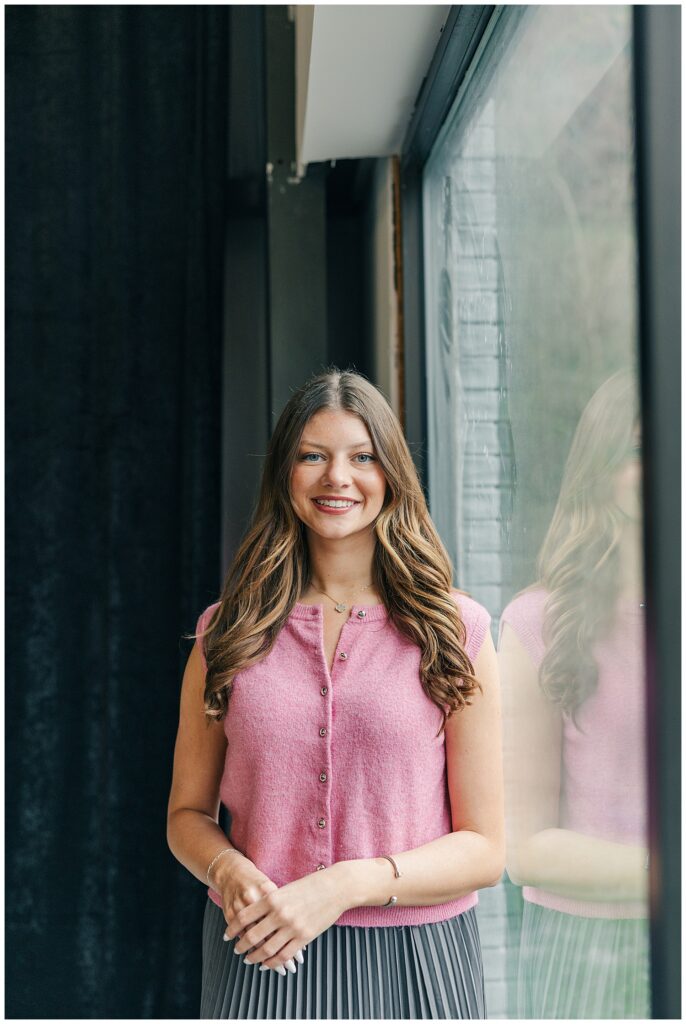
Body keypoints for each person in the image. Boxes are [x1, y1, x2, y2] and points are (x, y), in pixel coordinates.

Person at [167, 367, 505, 1020]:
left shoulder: (455, 629)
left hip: (418, 956)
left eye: (362, 457)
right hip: (262, 947)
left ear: (392, 475)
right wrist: (230, 873)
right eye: (312, 457)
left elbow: (486, 849)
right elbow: (186, 817)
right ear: (285, 475)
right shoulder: (225, 632)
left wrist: (346, 884)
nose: (336, 479)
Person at [498, 370, 650, 1018]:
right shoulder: (537, 624)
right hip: (586, 953)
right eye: (639, 450)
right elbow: (524, 849)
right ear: (601, 469)